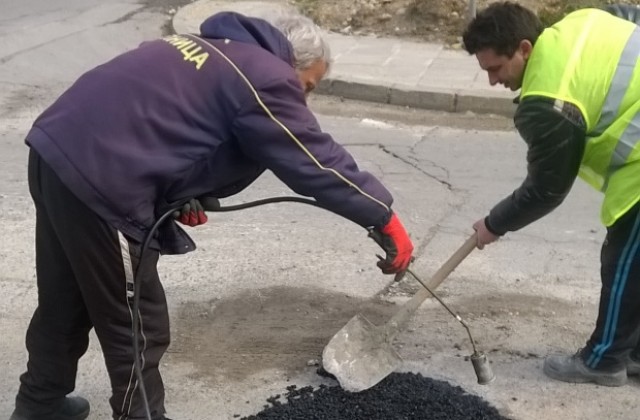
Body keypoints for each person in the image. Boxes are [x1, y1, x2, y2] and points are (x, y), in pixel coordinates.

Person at [11, 10, 414, 420]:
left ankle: (39, 403)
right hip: (103, 182)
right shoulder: (264, 76)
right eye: (306, 86)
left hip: (55, 151)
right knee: (137, 326)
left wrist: (184, 190)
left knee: (65, 298)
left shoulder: (207, 47)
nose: (302, 100)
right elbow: (314, 161)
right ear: (290, 62)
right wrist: (382, 216)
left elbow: (168, 123)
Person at [462, 2, 640, 387]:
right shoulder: (578, 23)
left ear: (525, 48)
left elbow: (547, 189)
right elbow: (629, 18)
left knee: (624, 261)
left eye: (496, 68)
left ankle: (604, 360)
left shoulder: (546, 101)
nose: (493, 81)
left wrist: (494, 224)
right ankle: (634, 351)